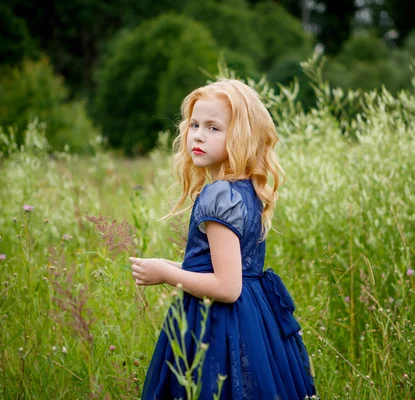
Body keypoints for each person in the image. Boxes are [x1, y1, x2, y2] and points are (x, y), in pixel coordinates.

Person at [129, 79, 317, 399]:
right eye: (194, 124)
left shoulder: (219, 195)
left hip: (220, 321)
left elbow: (228, 288)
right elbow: (221, 267)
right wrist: (171, 263)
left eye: (214, 128)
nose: (198, 135)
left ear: (241, 136)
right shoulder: (246, 189)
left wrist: (166, 274)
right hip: (254, 316)